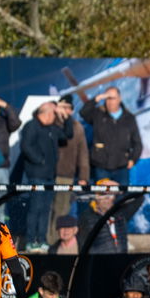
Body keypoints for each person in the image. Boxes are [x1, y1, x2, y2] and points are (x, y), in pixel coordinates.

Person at [19, 100, 73, 252]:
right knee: (35, 208)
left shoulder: (53, 128)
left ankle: (41, 240)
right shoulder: (32, 125)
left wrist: (65, 117)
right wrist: (40, 160)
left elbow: (67, 135)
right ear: (44, 113)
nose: (54, 116)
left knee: (45, 209)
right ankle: (31, 240)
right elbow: (26, 146)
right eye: (53, 113)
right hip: (37, 175)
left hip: (50, 176)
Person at [48, 94, 89, 244]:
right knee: (46, 209)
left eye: (67, 108)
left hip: (66, 175)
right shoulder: (50, 123)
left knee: (62, 210)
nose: (64, 111)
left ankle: (55, 243)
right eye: (61, 107)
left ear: (71, 110)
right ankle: (44, 241)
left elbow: (83, 153)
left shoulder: (77, 127)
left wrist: (83, 176)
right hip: (47, 175)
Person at [80, 86, 142, 185]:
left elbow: (137, 143)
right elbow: (83, 112)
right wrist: (98, 98)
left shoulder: (129, 118)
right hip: (101, 167)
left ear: (119, 99)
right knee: (103, 198)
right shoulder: (98, 114)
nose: (109, 101)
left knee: (122, 198)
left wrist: (133, 159)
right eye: (107, 98)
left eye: (112, 98)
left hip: (122, 167)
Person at [78, 180, 143, 254]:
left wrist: (120, 188)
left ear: (114, 197)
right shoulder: (87, 217)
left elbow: (139, 197)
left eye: (110, 195)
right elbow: (83, 245)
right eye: (103, 195)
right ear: (96, 198)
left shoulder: (120, 215)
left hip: (120, 260)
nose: (107, 199)